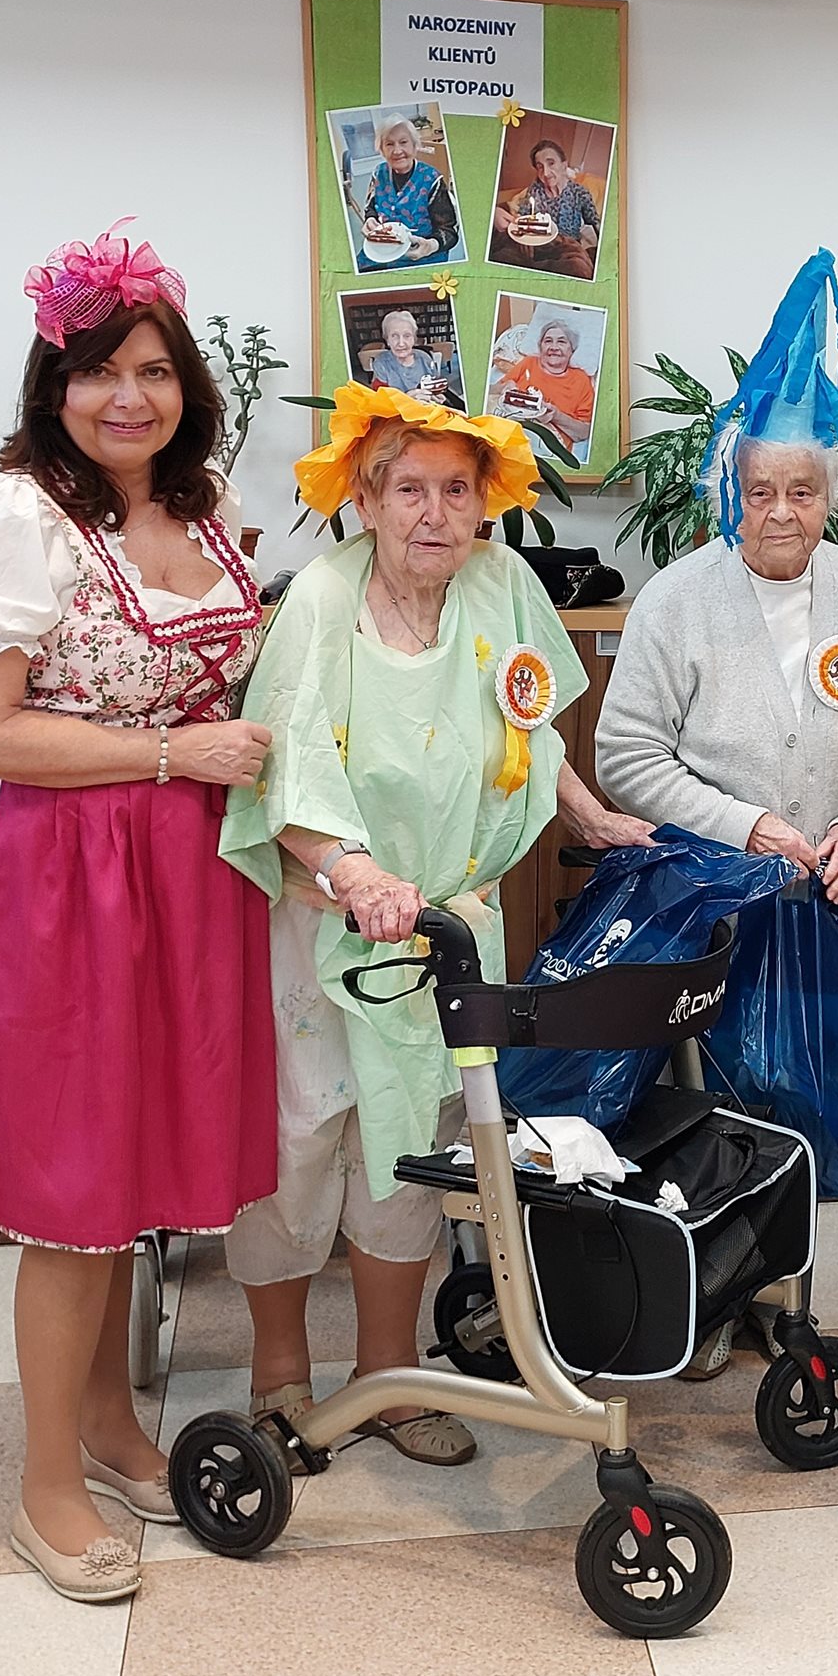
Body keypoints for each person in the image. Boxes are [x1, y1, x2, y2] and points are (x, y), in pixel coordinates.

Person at [0, 223, 278, 1604]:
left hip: (179, 872)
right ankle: (46, 1481)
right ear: (53, 385)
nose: (128, 397)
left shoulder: (201, 504)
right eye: (99, 371)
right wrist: (173, 752)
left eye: (154, 371)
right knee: (72, 1187)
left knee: (135, 1168)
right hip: (60, 876)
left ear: (186, 388)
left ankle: (109, 1420)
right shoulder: (16, 517)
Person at [220, 382, 649, 1457]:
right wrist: (355, 870)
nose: (434, 513)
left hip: (450, 929)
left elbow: (531, 729)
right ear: (364, 500)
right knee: (301, 1138)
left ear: (485, 503)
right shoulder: (324, 602)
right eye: (408, 489)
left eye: (457, 490)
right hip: (331, 924)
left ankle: (388, 1375)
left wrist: (592, 815)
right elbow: (284, 767)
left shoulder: (502, 586)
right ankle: (278, 1372)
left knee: (420, 1141)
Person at [596, 248, 838, 1225]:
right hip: (704, 907)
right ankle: (711, 1273)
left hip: (825, 903)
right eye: (761, 489)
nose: (782, 512)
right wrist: (745, 827)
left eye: (803, 491)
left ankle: (806, 1271)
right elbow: (625, 755)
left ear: (832, 495)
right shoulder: (675, 600)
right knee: (712, 1116)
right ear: (729, 488)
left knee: (823, 1098)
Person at [490, 309, 598, 457]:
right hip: (509, 429)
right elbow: (490, 392)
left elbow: (584, 432)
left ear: (571, 349)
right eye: (548, 341)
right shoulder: (529, 363)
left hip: (546, 444)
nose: (554, 347)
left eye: (561, 341)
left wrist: (556, 416)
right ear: (540, 347)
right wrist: (503, 387)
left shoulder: (581, 380)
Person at [357, 117, 460, 271]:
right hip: (383, 250)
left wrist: (430, 246)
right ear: (381, 150)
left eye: (403, 142)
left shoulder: (432, 179)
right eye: (389, 144)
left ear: (415, 145)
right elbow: (370, 207)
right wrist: (370, 219)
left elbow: (449, 231)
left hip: (422, 254)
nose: (397, 151)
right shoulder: (378, 173)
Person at [493, 138, 600, 281]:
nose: (546, 173)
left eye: (551, 163)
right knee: (503, 256)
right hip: (537, 242)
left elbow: (595, 224)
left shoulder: (580, 193)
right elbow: (523, 218)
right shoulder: (535, 190)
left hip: (566, 246)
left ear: (564, 165)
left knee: (577, 267)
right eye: (540, 167)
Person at [364, 306, 461, 405]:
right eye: (394, 336)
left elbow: (436, 387)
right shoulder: (382, 363)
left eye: (407, 336)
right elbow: (380, 402)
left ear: (414, 339)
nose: (401, 343)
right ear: (387, 340)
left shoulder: (425, 358)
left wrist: (438, 397)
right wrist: (407, 399)